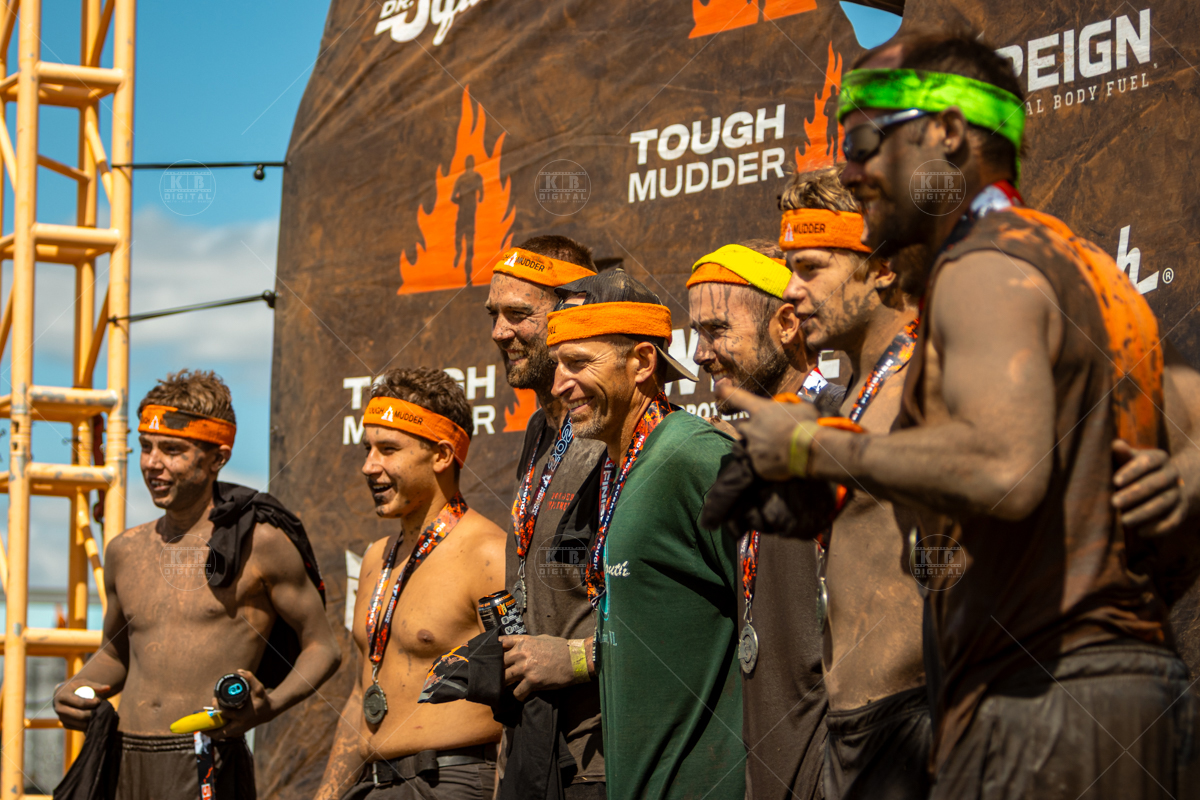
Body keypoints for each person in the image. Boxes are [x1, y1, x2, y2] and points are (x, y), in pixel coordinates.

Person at [722, 30, 1200, 799]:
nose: (853, 168)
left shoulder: (982, 267)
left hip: (1039, 701)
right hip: (1125, 692)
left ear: (946, 133)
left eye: (867, 139)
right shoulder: (1075, 262)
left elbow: (1003, 470)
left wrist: (815, 449)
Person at [52, 369, 341, 800]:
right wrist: (72, 689)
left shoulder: (260, 542)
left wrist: (268, 707)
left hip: (206, 755)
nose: (152, 463)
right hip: (122, 758)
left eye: (172, 450)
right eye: (146, 447)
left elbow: (324, 648)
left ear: (217, 458)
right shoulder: (124, 551)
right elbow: (117, 652)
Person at [547, 268, 745, 799]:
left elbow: (773, 625)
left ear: (640, 362)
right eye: (556, 365)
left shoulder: (694, 454)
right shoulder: (615, 466)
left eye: (578, 363)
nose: (558, 385)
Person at [778, 166, 930, 799]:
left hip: (922, 723)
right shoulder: (859, 397)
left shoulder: (934, 380)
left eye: (811, 268)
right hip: (851, 726)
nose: (790, 290)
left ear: (884, 266)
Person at [317, 368, 506, 800]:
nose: (369, 466)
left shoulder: (489, 554)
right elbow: (360, 692)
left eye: (388, 450)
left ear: (441, 455)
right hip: (373, 783)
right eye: (367, 449)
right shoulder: (375, 559)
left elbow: (525, 699)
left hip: (452, 781)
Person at [685, 239, 829, 799]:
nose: (700, 353)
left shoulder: (845, 427)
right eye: (697, 332)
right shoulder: (740, 454)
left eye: (717, 329)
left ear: (787, 324)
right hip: (767, 771)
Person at [484, 236, 609, 799]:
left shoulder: (618, 431)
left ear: (573, 311)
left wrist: (581, 658)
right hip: (536, 741)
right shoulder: (539, 432)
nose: (499, 332)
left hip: (602, 745)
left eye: (518, 315)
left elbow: (670, 604)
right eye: (494, 316)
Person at [452, 154, 485, 282]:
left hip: (462, 215)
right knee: (470, 247)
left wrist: (461, 201)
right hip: (471, 216)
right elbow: (481, 195)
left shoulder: (461, 178)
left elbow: (452, 197)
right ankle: (468, 275)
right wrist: (475, 198)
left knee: (459, 238)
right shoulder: (477, 178)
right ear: (473, 164)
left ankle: (458, 252)